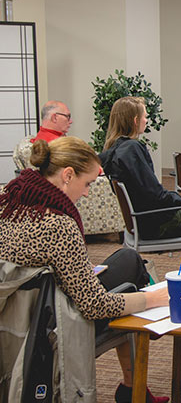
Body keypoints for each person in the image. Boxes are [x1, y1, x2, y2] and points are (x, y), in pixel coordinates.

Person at [0, 137, 169, 403]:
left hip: (15, 318)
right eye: (88, 183)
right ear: (67, 175)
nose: (88, 193)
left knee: (128, 259)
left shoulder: (9, 202)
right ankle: (135, 386)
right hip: (52, 323)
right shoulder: (59, 224)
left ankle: (134, 388)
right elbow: (94, 306)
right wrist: (150, 300)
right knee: (134, 274)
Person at [100, 96, 181, 240]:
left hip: (143, 221)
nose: (147, 120)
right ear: (135, 120)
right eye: (145, 117)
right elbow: (156, 195)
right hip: (157, 223)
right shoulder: (132, 150)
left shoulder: (113, 150)